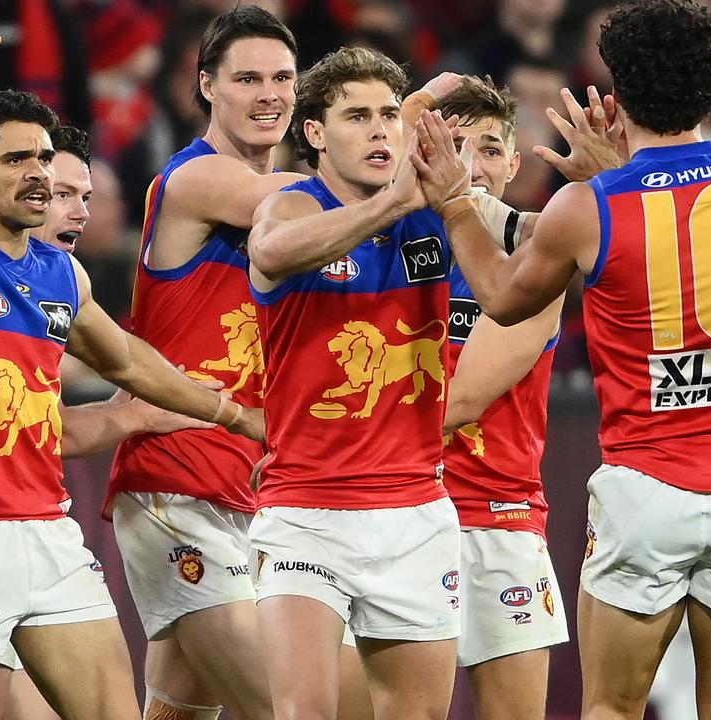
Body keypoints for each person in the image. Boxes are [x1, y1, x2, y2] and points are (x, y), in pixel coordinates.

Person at [0, 19, 261, 720]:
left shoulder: (62, 273)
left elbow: (125, 359)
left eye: (42, 158)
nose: (37, 172)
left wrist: (233, 414)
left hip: (47, 531)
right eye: (16, 160)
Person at [413, 1, 711, 717]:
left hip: (649, 489)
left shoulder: (589, 207)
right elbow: (682, 224)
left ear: (616, 93)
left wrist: (456, 206)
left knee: (612, 709)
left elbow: (501, 298)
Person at [104, 8, 325, 719]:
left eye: (284, 77)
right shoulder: (196, 180)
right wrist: (398, 149)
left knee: (178, 713)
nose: (270, 94)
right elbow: (305, 201)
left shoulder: (302, 215)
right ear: (206, 85)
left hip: (249, 487)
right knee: (287, 706)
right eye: (248, 78)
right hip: (180, 481)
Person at [246, 45, 459, 720]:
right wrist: (395, 202)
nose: (379, 130)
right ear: (313, 133)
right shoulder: (288, 210)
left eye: (391, 114)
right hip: (307, 512)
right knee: (305, 712)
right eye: (356, 116)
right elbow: (272, 254)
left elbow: (525, 267)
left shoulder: (437, 212)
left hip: (415, 512)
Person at [413, 74, 570, 720]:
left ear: (511, 161)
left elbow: (465, 399)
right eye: (451, 147)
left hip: (501, 516)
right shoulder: (386, 245)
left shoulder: (537, 249)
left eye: (485, 149)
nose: (468, 167)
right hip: (405, 513)